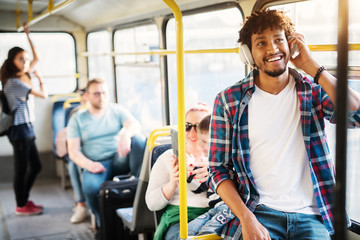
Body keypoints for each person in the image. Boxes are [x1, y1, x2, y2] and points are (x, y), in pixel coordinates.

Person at [208, 9, 360, 240]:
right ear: (248, 54)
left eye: (279, 40)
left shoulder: (312, 90)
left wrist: (312, 67)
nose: (272, 49)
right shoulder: (229, 100)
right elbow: (218, 171)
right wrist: (246, 219)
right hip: (258, 212)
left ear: (291, 44)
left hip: (312, 217)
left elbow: (356, 113)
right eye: (261, 43)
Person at [66, 78, 146, 229]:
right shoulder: (78, 118)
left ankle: (137, 183)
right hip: (96, 163)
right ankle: (102, 219)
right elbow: (73, 151)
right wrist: (89, 164)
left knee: (139, 140)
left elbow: (134, 124)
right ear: (88, 96)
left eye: (104, 93)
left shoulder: (116, 110)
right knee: (90, 187)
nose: (101, 97)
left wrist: (125, 135)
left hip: (118, 158)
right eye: (96, 93)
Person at [0, 25, 48, 216]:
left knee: (35, 165)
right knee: (22, 169)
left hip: (26, 128)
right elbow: (43, 95)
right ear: (12, 62)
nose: (26, 62)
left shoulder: (20, 76)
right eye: (21, 59)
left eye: (26, 59)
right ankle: (21, 205)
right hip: (19, 130)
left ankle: (24, 200)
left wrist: (29, 37)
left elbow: (37, 58)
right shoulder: (15, 82)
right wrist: (41, 79)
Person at [145, 103, 211, 240]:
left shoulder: (220, 158)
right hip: (180, 218)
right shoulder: (168, 157)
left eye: (198, 127)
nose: (192, 133)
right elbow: (151, 203)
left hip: (215, 215)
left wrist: (215, 174)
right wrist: (172, 184)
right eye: (188, 126)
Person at [187, 114, 234, 237]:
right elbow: (198, 189)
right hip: (213, 209)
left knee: (207, 233)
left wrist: (212, 168)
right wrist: (189, 174)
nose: (200, 145)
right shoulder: (206, 162)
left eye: (204, 142)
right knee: (189, 231)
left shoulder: (229, 164)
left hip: (228, 208)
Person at [55, 88, 89, 223]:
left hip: (96, 148)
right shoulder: (76, 112)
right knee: (73, 164)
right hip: (80, 147)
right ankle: (81, 204)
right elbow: (72, 135)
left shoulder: (106, 111)